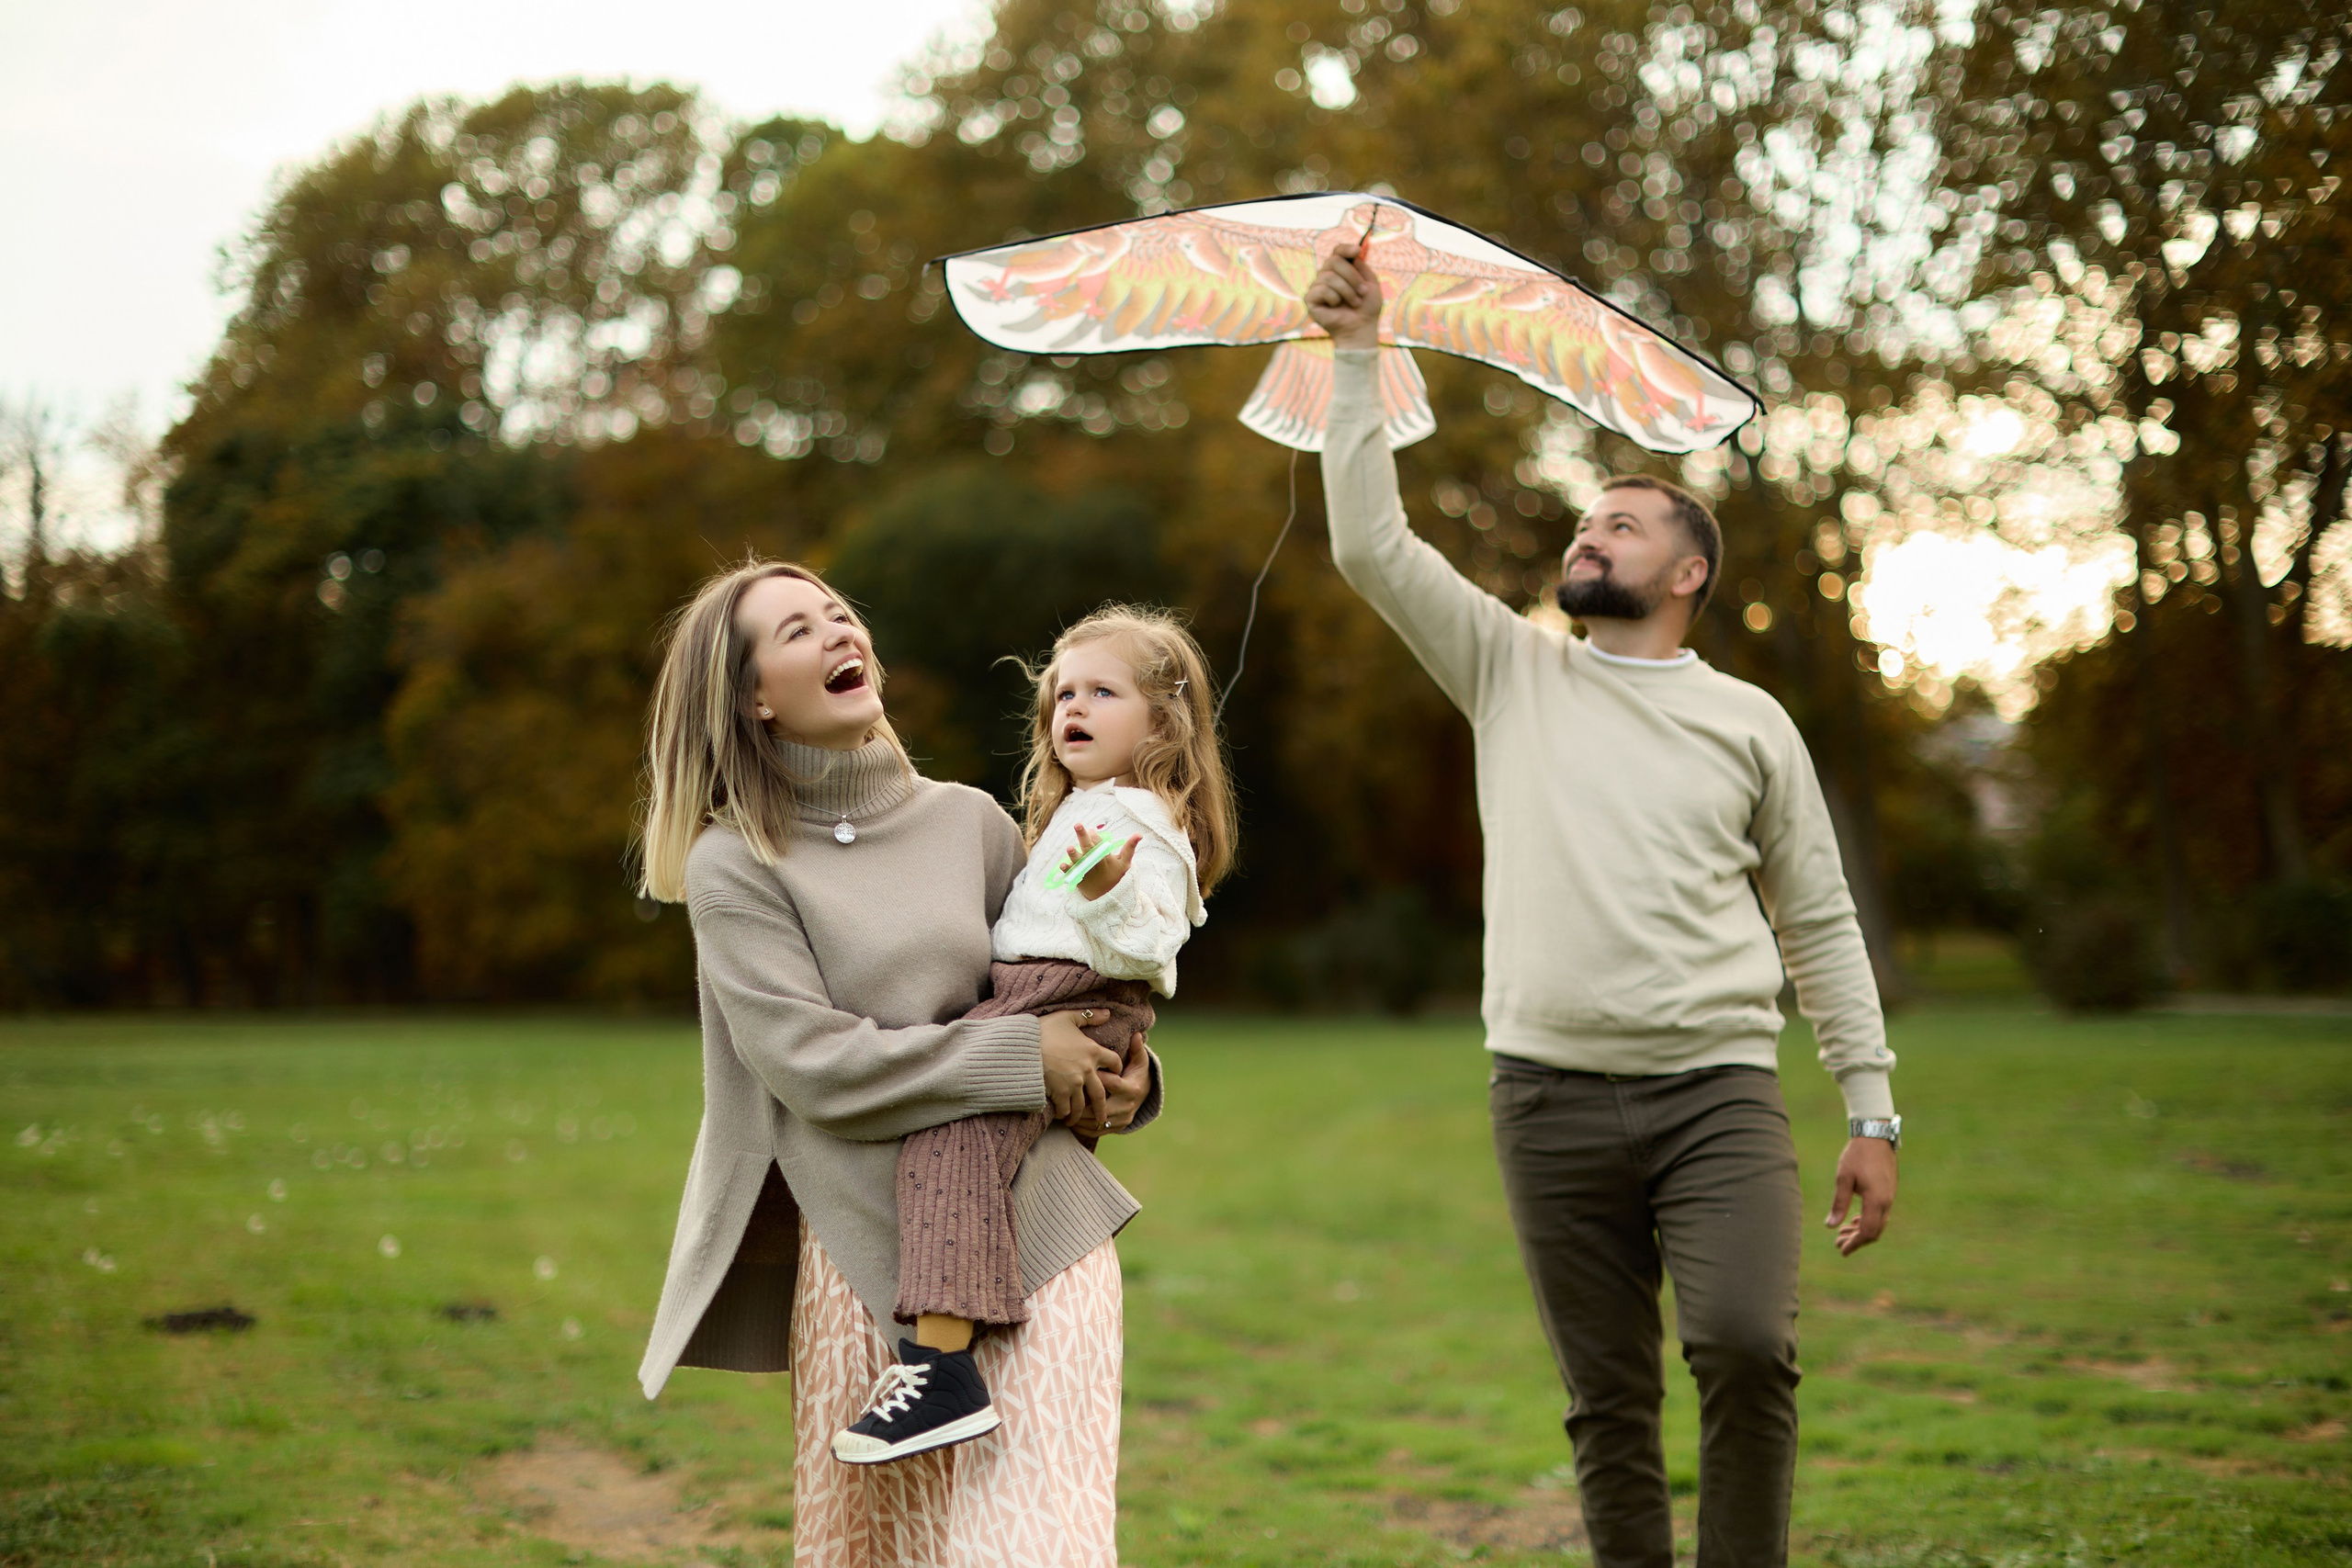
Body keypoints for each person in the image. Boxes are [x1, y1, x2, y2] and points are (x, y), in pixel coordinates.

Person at [1304, 247, 1901, 1568]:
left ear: (1688, 573)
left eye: (1624, 523)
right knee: (1607, 1399)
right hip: (1547, 1096)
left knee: (1748, 1347)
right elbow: (1368, 542)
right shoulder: (1512, 670)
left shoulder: (1750, 722)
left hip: (1718, 1092)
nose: (1591, 531)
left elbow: (1818, 919)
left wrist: (1871, 1106)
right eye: (1587, 522)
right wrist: (1357, 355)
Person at [633, 559, 1158, 1567]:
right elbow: (813, 1063)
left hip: (1041, 1236)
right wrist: (1018, 1060)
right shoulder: (734, 863)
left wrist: (1128, 1077)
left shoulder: (974, 822)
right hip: (867, 1267)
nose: (837, 634)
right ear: (749, 695)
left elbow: (1066, 988)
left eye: (839, 615)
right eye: (796, 631)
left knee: (1033, 1549)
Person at [834, 604, 1236, 1464]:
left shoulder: (1148, 821)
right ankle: (945, 1356)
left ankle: (941, 1363)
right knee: (957, 1137)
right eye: (1062, 694)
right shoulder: (1088, 807)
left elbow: (1153, 942)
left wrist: (1114, 891)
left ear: (1163, 720)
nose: (1073, 708)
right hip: (1035, 994)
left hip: (1070, 994)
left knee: (954, 1140)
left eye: (1102, 691)